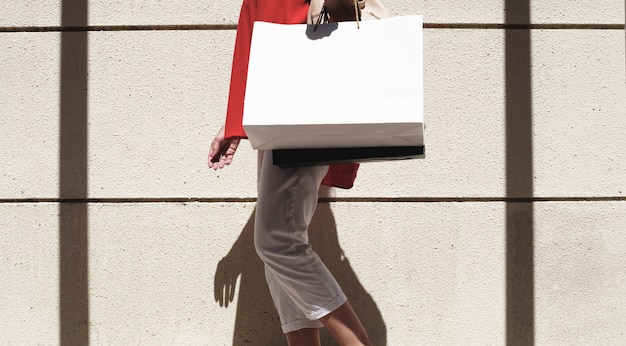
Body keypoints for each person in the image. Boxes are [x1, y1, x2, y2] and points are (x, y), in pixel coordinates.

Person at [209, 0, 371, 344]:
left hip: (305, 89)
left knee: (276, 242)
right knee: (280, 250)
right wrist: (239, 120)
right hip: (280, 93)